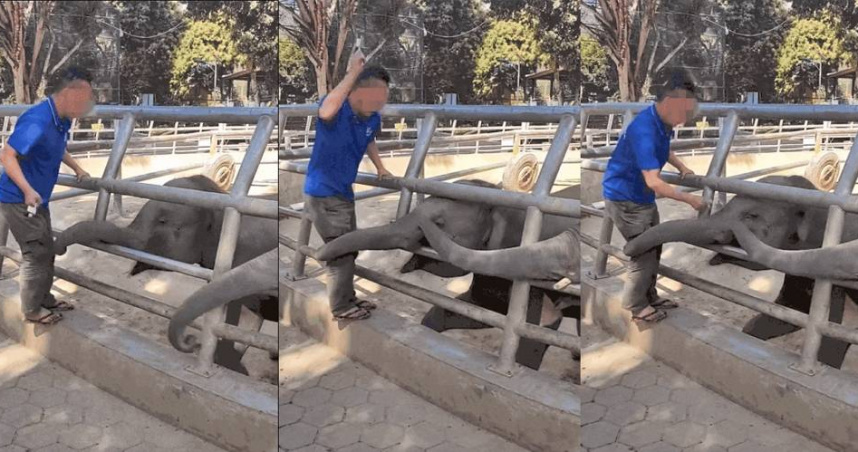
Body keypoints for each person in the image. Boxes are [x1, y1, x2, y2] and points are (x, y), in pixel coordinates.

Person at [601, 71, 708, 325]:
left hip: (640, 197)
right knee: (644, 252)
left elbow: (664, 149)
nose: (684, 118)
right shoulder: (645, 129)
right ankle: (636, 305)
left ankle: (650, 296)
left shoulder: (661, 122)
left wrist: (681, 167)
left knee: (653, 248)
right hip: (627, 200)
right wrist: (690, 200)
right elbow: (655, 183)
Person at [304, 52, 394, 321]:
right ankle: (341, 308)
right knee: (341, 253)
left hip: (343, 193)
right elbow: (325, 110)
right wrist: (353, 72)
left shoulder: (372, 118)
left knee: (348, 248)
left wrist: (379, 166)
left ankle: (348, 298)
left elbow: (369, 140)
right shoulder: (336, 111)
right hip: (324, 193)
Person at [0, 67, 93, 325]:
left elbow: (56, 148)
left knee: (46, 250)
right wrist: (28, 190)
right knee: (35, 254)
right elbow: (7, 156)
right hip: (20, 199)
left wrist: (77, 168)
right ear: (66, 93)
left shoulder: (61, 119)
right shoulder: (38, 120)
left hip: (38, 198)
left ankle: (45, 299)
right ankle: (31, 310)